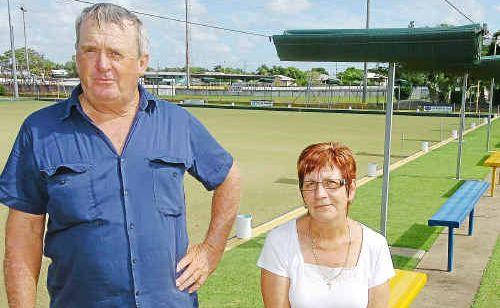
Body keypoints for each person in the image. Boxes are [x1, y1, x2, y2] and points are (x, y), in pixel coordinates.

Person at [0, 3, 240, 307]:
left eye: (115, 53)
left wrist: (211, 249)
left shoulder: (177, 123)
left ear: (142, 62)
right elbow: (23, 236)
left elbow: (229, 177)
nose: (102, 64)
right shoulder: (39, 131)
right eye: (89, 51)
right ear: (77, 58)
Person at [258, 142, 394, 308]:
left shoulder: (374, 246)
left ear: (350, 190)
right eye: (310, 185)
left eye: (331, 183)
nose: (320, 194)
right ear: (302, 194)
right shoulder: (280, 241)